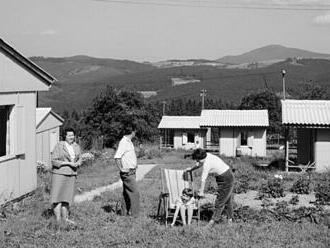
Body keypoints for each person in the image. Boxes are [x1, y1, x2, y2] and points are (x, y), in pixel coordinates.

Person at [186, 149, 234, 228]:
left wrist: (201, 191)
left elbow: (203, 179)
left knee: (220, 201)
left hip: (226, 178)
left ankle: (212, 223)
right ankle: (230, 221)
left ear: (202, 158)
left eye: (198, 160)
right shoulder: (206, 155)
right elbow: (199, 164)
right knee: (227, 200)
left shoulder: (207, 164)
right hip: (226, 175)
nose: (197, 162)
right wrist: (191, 169)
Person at [50, 127, 82, 224]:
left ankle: (65, 219)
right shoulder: (59, 146)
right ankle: (58, 220)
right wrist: (68, 163)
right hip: (59, 174)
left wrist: (78, 163)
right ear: (65, 136)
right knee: (57, 197)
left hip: (71, 174)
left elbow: (80, 158)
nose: (71, 137)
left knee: (67, 198)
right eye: (69, 135)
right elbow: (54, 161)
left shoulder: (76, 146)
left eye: (72, 135)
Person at [114, 125, 140, 217]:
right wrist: (121, 169)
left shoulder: (129, 142)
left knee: (126, 193)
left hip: (132, 172)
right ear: (132, 131)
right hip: (127, 173)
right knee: (135, 193)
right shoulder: (124, 142)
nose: (135, 133)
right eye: (135, 131)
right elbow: (117, 157)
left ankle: (123, 212)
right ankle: (135, 215)